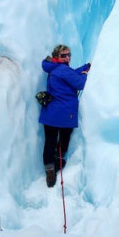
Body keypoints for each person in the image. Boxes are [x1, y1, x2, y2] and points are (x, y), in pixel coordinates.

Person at [39, 44, 90, 187]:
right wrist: (85, 75)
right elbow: (79, 83)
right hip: (65, 114)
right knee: (64, 138)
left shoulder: (55, 68)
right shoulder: (63, 70)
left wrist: (85, 67)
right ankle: (59, 162)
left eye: (69, 55)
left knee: (50, 141)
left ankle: (50, 171)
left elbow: (71, 73)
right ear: (57, 57)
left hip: (50, 114)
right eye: (64, 55)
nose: (67, 57)